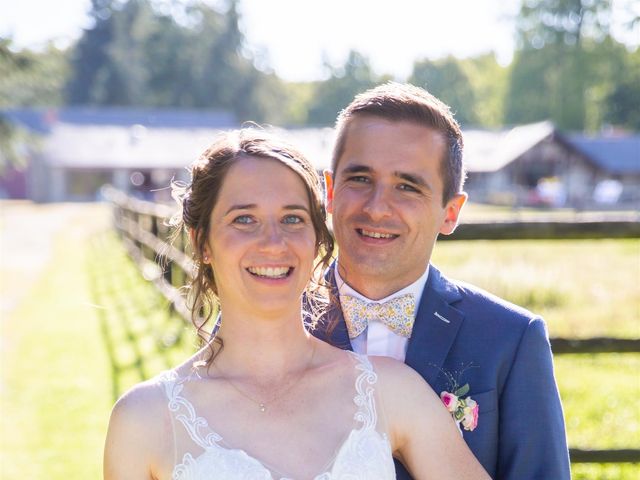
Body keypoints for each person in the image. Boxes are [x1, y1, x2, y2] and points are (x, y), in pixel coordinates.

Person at [103, 129, 490, 480]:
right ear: (202, 241)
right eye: (244, 219)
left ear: (318, 239)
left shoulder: (389, 391)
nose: (273, 242)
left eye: (292, 219)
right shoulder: (144, 421)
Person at [316, 82, 571, 479]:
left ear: (450, 212)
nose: (377, 207)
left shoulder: (511, 338)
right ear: (330, 191)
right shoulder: (264, 324)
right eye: (361, 179)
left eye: (407, 186)